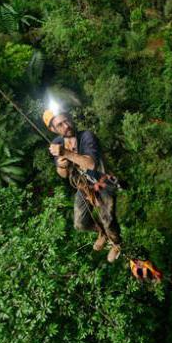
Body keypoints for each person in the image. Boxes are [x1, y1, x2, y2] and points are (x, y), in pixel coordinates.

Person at [43, 109, 122, 263]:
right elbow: (63, 175)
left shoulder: (86, 137)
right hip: (84, 186)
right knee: (80, 223)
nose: (66, 126)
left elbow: (91, 164)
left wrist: (66, 153)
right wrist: (61, 165)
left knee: (108, 221)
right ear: (53, 129)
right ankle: (102, 233)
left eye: (67, 120)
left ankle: (117, 244)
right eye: (60, 124)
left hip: (103, 182)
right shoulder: (57, 144)